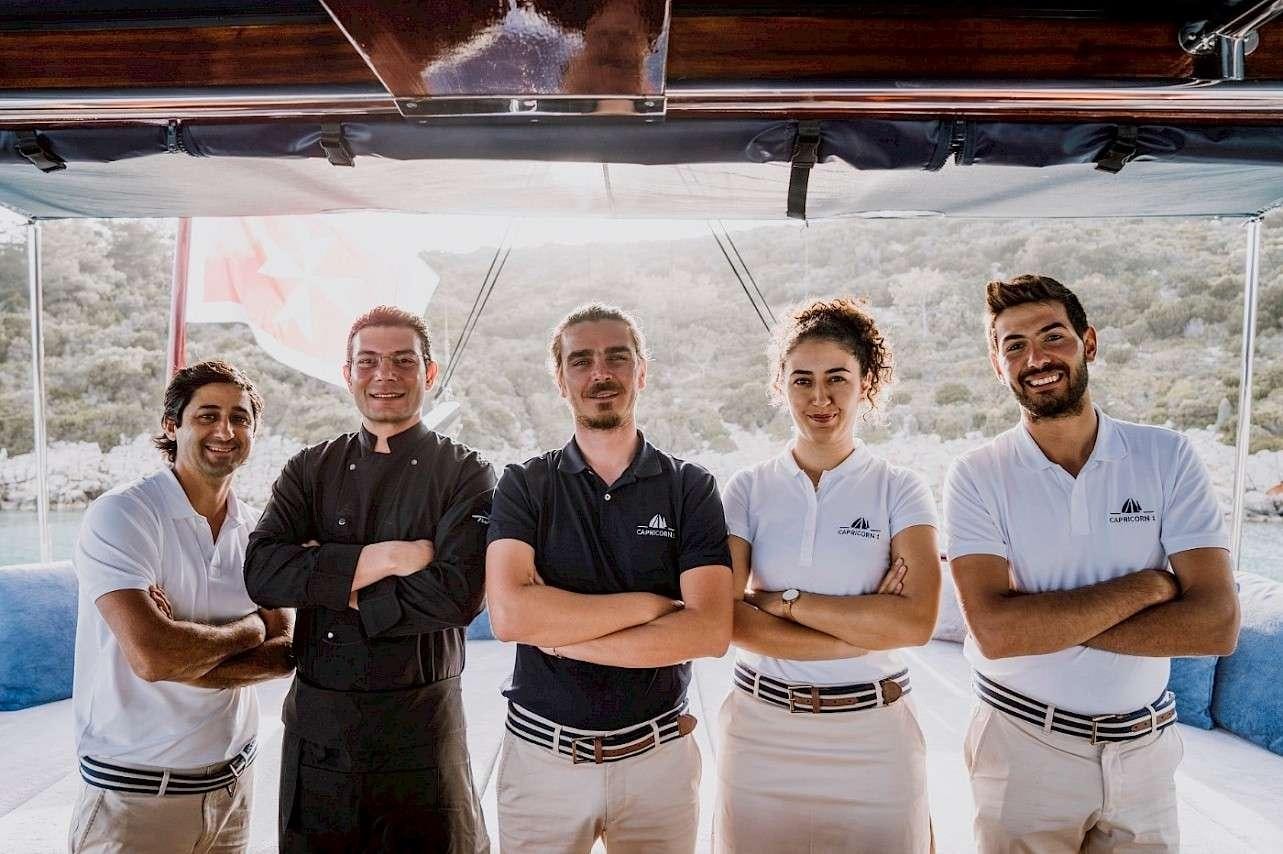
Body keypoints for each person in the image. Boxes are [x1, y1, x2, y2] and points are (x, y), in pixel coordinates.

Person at [944, 274, 1241, 853]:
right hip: (1023, 746)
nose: (1036, 358)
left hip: (1145, 754)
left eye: (1053, 336)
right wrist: (1147, 586)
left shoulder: (1167, 456)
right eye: (1013, 345)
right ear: (996, 365)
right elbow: (998, 633)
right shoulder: (977, 474)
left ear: (1089, 343)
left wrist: (1050, 626)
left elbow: (1216, 625)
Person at [243, 306, 494, 853]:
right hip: (320, 736)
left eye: (403, 360)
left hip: (423, 735)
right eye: (369, 361)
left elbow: (456, 597)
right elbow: (263, 574)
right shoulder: (308, 469)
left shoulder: (465, 472)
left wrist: (327, 578)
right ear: (348, 373)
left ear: (428, 373)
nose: (386, 374)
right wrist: (388, 558)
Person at [485, 302, 733, 854]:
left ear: (641, 373)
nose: (600, 374)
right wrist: (653, 604)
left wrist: (564, 638)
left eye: (616, 358)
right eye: (581, 361)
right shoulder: (524, 485)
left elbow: (709, 632)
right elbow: (511, 616)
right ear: (561, 380)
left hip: (659, 763)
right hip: (540, 762)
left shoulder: (690, 487)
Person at [714, 297, 940, 853]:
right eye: (802, 380)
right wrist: (859, 632)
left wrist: (784, 601)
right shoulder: (747, 489)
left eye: (837, 378)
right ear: (781, 387)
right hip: (762, 731)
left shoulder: (900, 488)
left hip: (876, 735)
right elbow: (725, 618)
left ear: (866, 383)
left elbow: (914, 622)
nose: (820, 397)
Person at [69, 360, 294, 854]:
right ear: (172, 425)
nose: (225, 430)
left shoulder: (258, 530)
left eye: (240, 417)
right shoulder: (123, 514)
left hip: (232, 789)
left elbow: (286, 652)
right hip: (135, 796)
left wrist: (183, 650)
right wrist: (250, 629)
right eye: (207, 415)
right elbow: (154, 657)